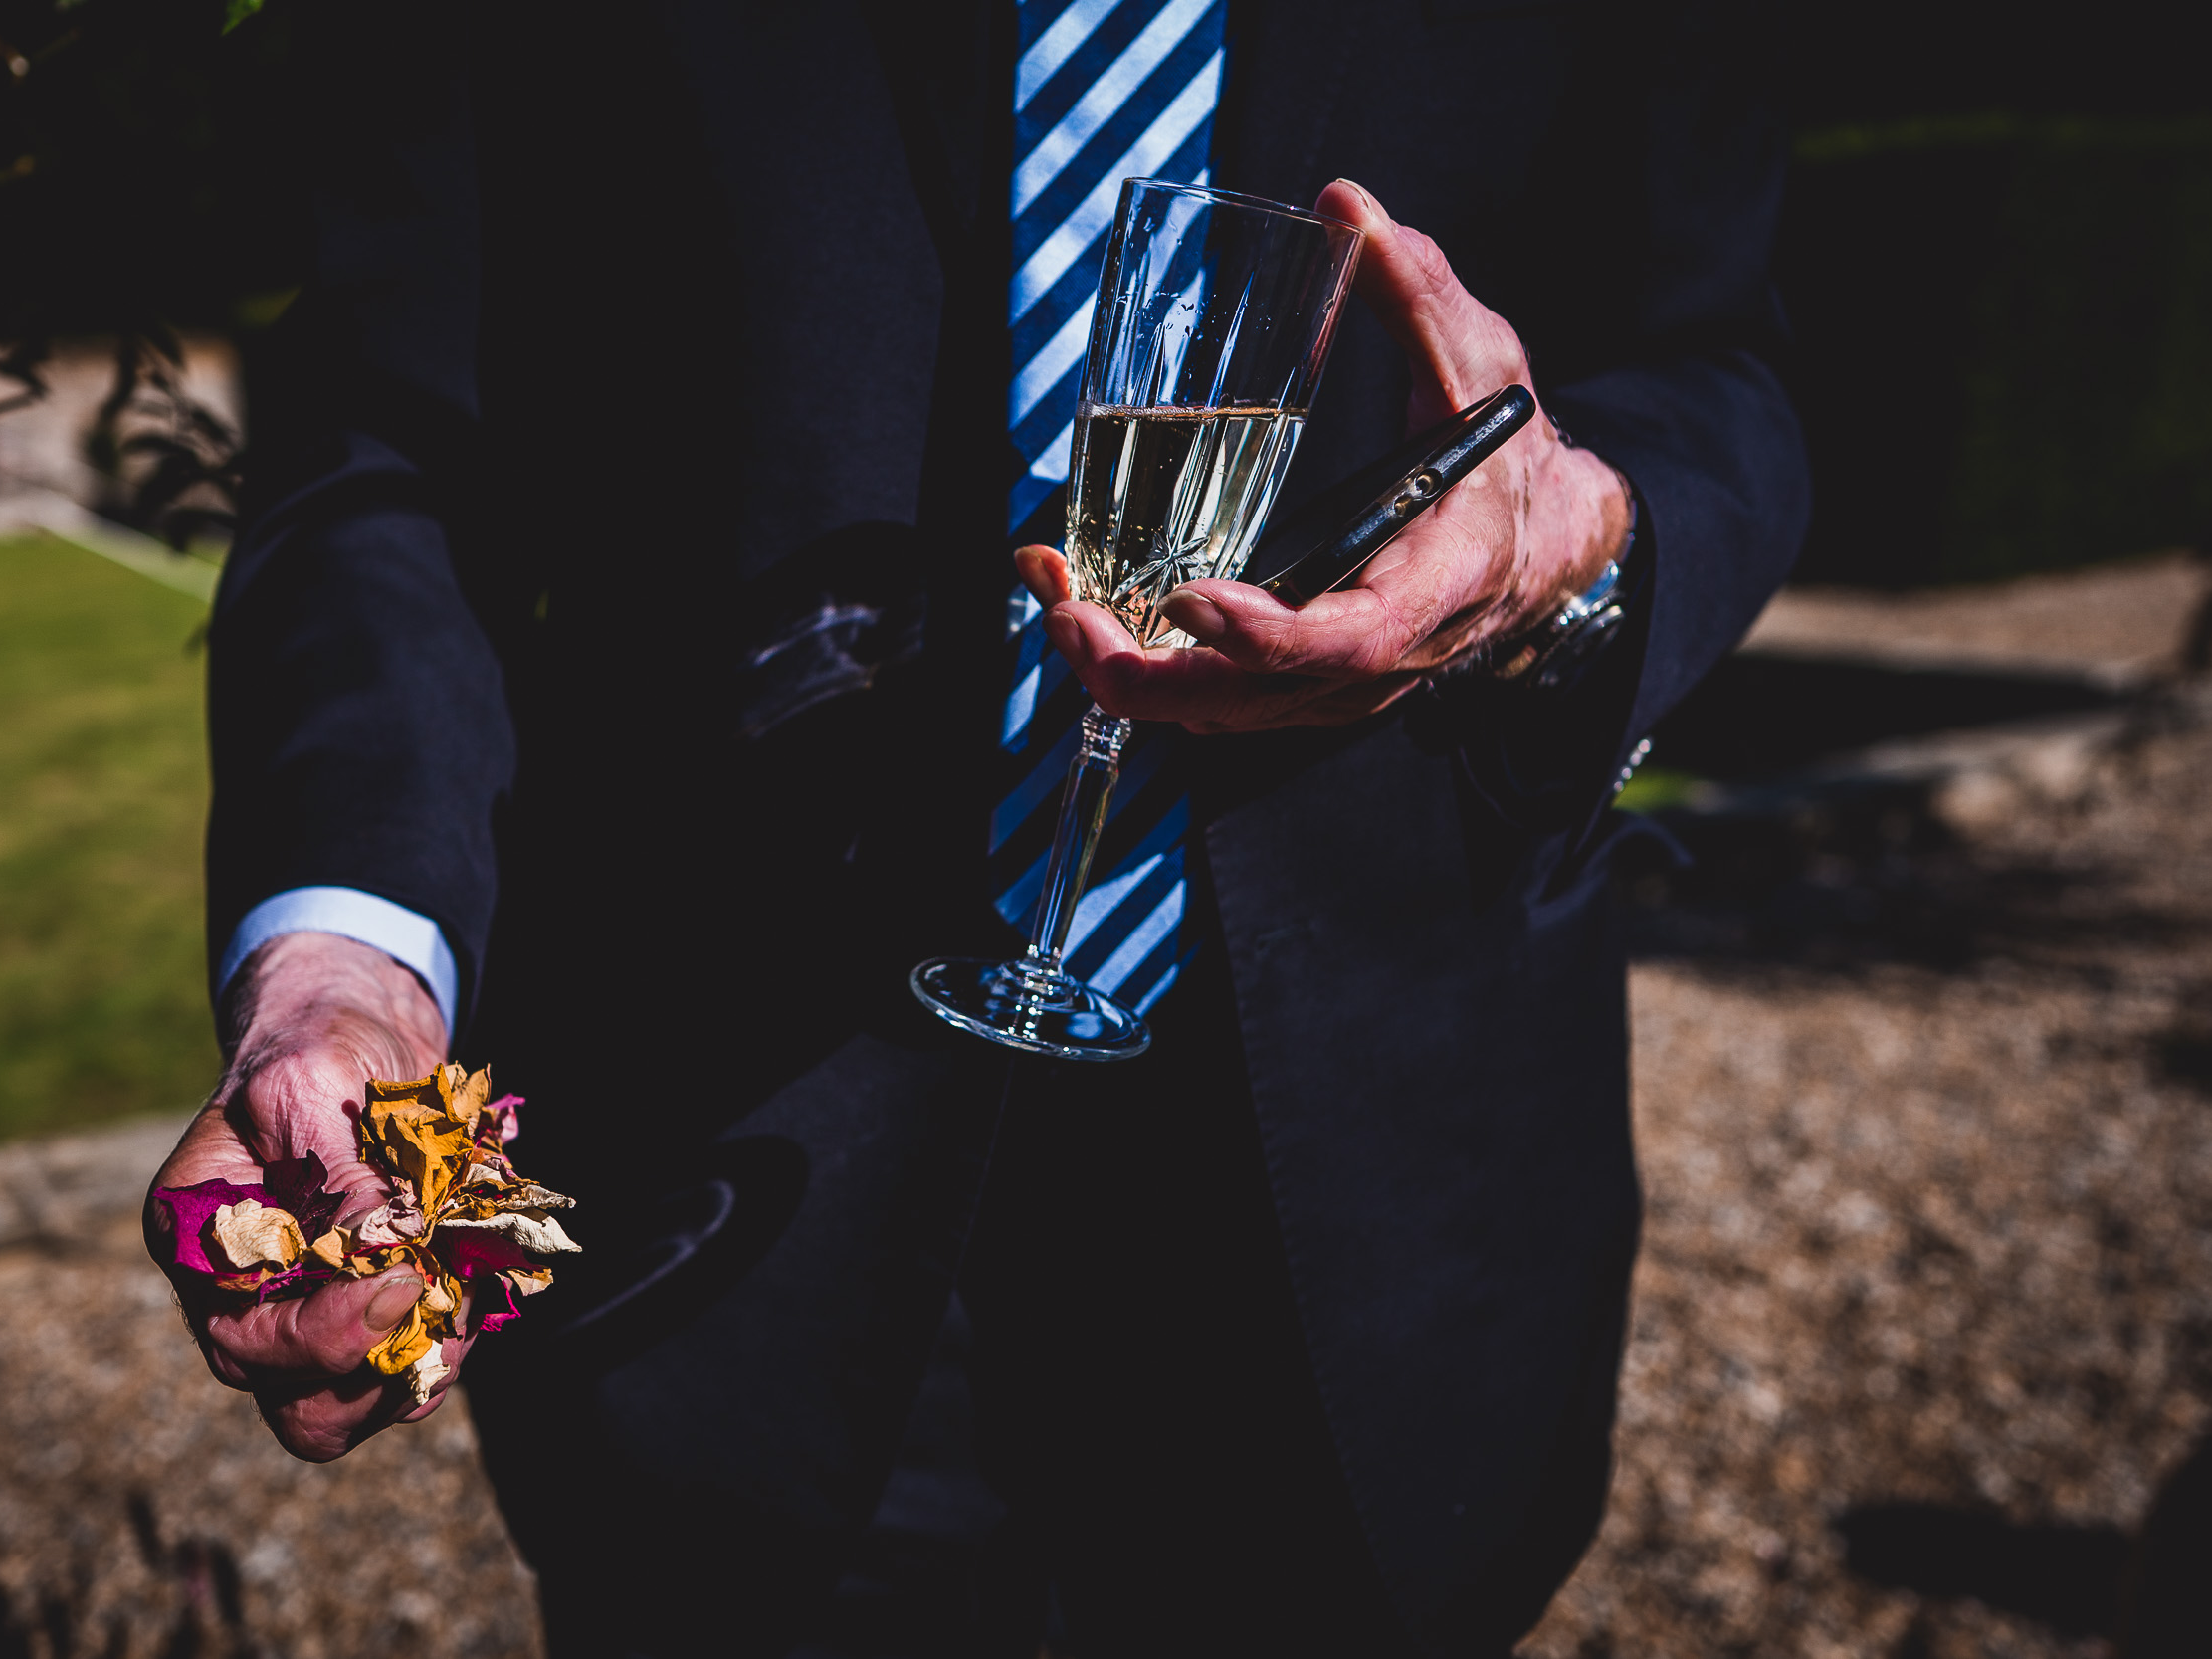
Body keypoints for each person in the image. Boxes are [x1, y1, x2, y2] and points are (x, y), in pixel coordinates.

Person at [148, 4, 1807, 1654]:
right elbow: (396, 440)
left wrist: (1564, 553)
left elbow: (1719, 364)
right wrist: (341, 972)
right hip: (727, 1190)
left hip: (1381, 1211)